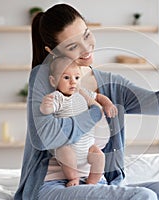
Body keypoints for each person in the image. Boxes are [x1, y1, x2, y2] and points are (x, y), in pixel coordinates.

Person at [15, 3, 159, 200]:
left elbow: (158, 104)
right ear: (53, 51)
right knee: (143, 196)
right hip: (52, 186)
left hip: (97, 180)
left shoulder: (110, 84)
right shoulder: (45, 76)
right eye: (72, 46)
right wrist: (94, 113)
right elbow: (44, 137)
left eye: (86, 35)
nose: (86, 48)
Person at [40, 56, 117, 187]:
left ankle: (92, 182)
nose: (73, 82)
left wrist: (108, 104)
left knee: (100, 157)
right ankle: (73, 178)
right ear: (53, 81)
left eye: (76, 78)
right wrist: (45, 105)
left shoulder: (82, 93)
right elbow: (46, 110)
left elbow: (98, 96)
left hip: (88, 146)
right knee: (64, 152)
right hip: (67, 145)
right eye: (66, 78)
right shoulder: (58, 97)